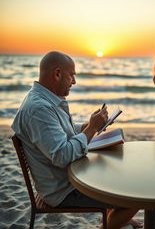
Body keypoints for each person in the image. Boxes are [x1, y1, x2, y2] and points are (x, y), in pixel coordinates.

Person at [11, 51, 143, 229]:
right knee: (137, 195)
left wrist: (89, 124)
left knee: (121, 173)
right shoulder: (39, 109)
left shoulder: (45, 100)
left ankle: (116, 218)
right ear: (57, 74)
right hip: (64, 189)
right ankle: (108, 225)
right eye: (72, 75)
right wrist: (92, 129)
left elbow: (62, 131)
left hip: (71, 176)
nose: (74, 81)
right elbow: (62, 156)